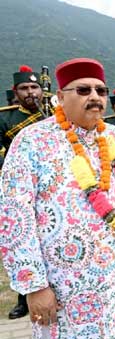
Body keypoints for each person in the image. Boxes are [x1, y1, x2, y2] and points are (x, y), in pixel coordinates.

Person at [0, 57, 115, 339]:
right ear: (60, 97)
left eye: (101, 90)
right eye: (83, 90)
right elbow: (13, 218)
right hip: (67, 287)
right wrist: (34, 285)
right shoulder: (31, 142)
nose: (95, 97)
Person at [0, 65, 47, 320]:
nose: (30, 92)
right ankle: (24, 298)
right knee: (25, 245)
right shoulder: (5, 120)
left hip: (52, 193)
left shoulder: (52, 114)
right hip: (22, 195)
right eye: (24, 88)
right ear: (15, 92)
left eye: (34, 87)